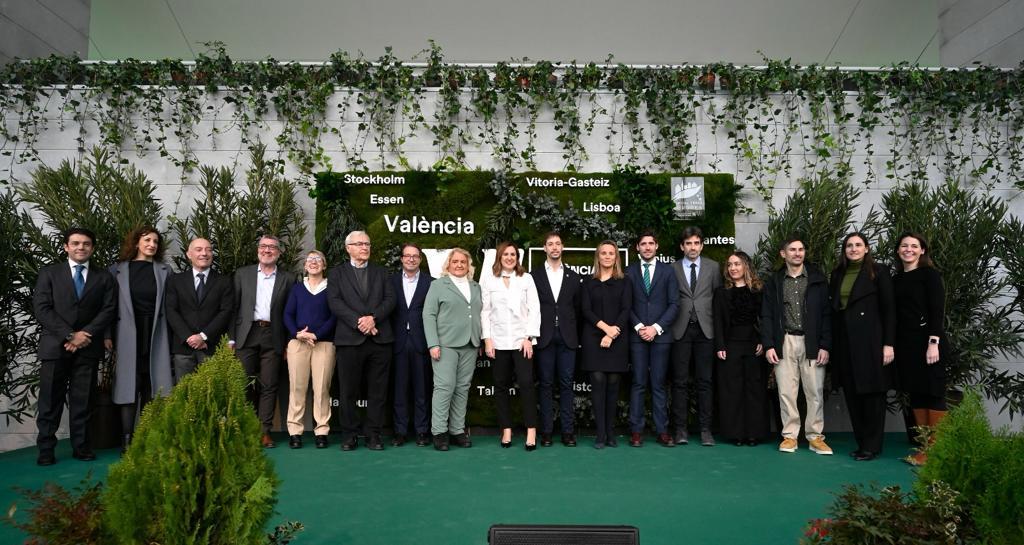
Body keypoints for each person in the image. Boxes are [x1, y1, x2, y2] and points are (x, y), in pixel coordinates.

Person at [33, 227, 116, 466]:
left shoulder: (104, 277)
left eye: (86, 243)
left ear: (92, 247)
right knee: (50, 401)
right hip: (55, 347)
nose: (81, 247)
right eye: (76, 243)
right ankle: (46, 449)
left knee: (83, 400)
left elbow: (109, 309)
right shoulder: (49, 273)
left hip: (88, 347)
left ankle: (81, 447)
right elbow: (42, 308)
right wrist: (70, 335)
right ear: (66, 246)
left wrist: (85, 334)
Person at [761, 236, 833, 455]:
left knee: (815, 392)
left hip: (811, 342)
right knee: (786, 392)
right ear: (783, 254)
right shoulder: (775, 282)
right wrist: (769, 345)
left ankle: (815, 437)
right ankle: (790, 436)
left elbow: (826, 314)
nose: (797, 253)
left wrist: (825, 345)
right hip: (785, 341)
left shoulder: (817, 280)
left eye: (801, 249)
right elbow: (767, 315)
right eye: (792, 250)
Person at [327, 230, 396, 451]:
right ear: (348, 248)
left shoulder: (382, 272)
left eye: (367, 243)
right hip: (349, 340)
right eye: (359, 244)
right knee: (348, 391)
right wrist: (360, 322)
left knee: (378, 392)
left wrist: (373, 318)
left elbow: (390, 299)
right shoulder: (337, 274)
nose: (364, 247)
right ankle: (349, 435)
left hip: (380, 341)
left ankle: (373, 435)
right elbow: (335, 302)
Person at [829, 233, 895, 461]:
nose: (854, 249)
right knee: (853, 394)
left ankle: (872, 446)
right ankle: (862, 444)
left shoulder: (879, 271)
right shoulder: (838, 273)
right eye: (849, 245)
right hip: (845, 342)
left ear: (867, 248)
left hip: (871, 342)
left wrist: (888, 344)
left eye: (858, 245)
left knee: (872, 395)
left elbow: (889, 310)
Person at [107, 226, 173, 451]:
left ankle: (146, 438)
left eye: (155, 241)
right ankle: (127, 439)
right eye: (147, 240)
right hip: (126, 333)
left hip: (156, 332)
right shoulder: (117, 270)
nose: (152, 245)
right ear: (136, 243)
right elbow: (109, 306)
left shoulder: (165, 270)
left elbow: (170, 306)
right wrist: (108, 335)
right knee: (128, 385)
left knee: (152, 384)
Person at [231, 235, 297, 449]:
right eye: (263, 246)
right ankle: (246, 430)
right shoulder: (242, 274)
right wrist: (231, 339)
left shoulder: (288, 278)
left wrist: (288, 342)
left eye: (272, 247)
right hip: (247, 333)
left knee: (269, 385)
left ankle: (264, 431)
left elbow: (291, 313)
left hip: (273, 334)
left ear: (279, 252)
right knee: (243, 384)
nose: (267, 250)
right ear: (257, 250)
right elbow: (234, 308)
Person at [892, 232, 947, 466]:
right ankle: (925, 448)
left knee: (933, 392)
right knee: (916, 393)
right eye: (904, 246)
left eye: (914, 246)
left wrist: (933, 342)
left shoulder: (930, 276)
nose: (909, 249)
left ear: (922, 251)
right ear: (898, 251)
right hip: (907, 345)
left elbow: (937, 310)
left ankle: (936, 450)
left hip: (928, 343)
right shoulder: (896, 279)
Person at [481, 241, 541, 450]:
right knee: (500, 386)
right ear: (499, 257)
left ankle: (531, 430)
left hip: (521, 341)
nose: (509, 257)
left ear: (517, 258)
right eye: (505, 254)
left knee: (526, 384)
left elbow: (534, 309)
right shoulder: (489, 280)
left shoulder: (526, 279)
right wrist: (487, 339)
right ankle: (506, 429)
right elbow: (485, 312)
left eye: (513, 255)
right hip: (498, 341)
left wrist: (529, 336)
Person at [422, 248, 482, 451]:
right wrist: (433, 343)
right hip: (445, 344)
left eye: (463, 262)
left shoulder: (475, 286)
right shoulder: (438, 285)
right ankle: (439, 431)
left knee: (462, 388)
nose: (459, 265)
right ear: (448, 264)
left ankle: (457, 430)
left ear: (468, 265)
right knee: (444, 387)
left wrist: (480, 340)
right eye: (455, 261)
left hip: (470, 344)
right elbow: (428, 314)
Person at [625, 230, 680, 447]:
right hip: (637, 336)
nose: (647, 247)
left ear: (656, 247)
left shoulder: (668, 272)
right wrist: (639, 327)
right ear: (637, 248)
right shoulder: (629, 272)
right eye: (643, 244)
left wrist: (656, 328)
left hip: (661, 337)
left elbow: (674, 303)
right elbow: (625, 305)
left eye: (651, 243)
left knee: (658, 385)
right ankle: (636, 431)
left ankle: (662, 430)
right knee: (638, 383)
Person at [669, 226, 722, 446]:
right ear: (682, 246)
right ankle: (680, 430)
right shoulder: (672, 268)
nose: (693, 247)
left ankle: (705, 430)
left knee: (705, 381)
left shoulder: (713, 267)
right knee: (679, 382)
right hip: (680, 330)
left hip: (705, 330)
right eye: (688, 243)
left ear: (702, 245)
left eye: (696, 243)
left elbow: (718, 300)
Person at [531, 232, 583, 447]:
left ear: (563, 247)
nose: (554, 247)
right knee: (545, 385)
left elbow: (578, 309)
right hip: (544, 338)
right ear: (544, 248)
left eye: (558, 244)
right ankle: (546, 432)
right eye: (550, 244)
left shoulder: (573, 276)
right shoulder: (533, 276)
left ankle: (568, 432)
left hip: (568, 338)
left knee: (566, 385)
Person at [712, 251, 768, 446]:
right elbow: (717, 321)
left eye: (737, 264)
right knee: (732, 390)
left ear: (746, 266)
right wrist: (720, 345)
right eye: (730, 265)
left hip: (754, 345)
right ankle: (735, 433)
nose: (733, 268)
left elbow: (765, 318)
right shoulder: (721, 292)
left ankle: (753, 433)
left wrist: (763, 340)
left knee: (754, 389)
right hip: (730, 345)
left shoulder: (758, 290)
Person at [283, 250, 337, 449]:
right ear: (305, 266)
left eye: (318, 260)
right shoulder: (297, 288)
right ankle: (295, 431)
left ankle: (321, 431)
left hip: (323, 343)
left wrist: (317, 334)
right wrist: (298, 334)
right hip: (298, 343)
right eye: (310, 260)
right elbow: (287, 314)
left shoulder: (331, 288)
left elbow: (334, 316)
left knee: (322, 388)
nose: (313, 263)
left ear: (324, 265)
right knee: (297, 387)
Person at [580, 241, 632, 449]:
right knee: (598, 382)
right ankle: (600, 434)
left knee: (613, 384)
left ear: (616, 258)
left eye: (611, 253)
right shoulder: (588, 282)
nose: (607, 256)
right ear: (598, 257)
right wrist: (605, 329)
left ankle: (611, 432)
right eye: (603, 253)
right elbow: (586, 310)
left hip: (617, 338)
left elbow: (626, 309)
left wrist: (612, 333)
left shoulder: (625, 282)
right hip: (593, 337)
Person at [165, 237, 234, 383]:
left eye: (208, 250)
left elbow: (226, 312)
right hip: (183, 347)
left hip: (211, 346)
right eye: (199, 249)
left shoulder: (224, 281)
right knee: (184, 394)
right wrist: (189, 337)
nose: (204, 253)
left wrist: (203, 336)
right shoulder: (175, 280)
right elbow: (171, 310)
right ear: (188, 254)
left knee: (211, 394)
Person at [389, 243, 434, 447]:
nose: (411, 259)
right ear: (401, 259)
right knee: (399, 389)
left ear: (420, 260)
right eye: (407, 256)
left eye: (415, 256)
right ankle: (400, 431)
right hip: (397, 341)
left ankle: (422, 431)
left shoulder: (431, 283)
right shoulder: (390, 282)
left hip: (421, 341)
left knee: (422, 389)